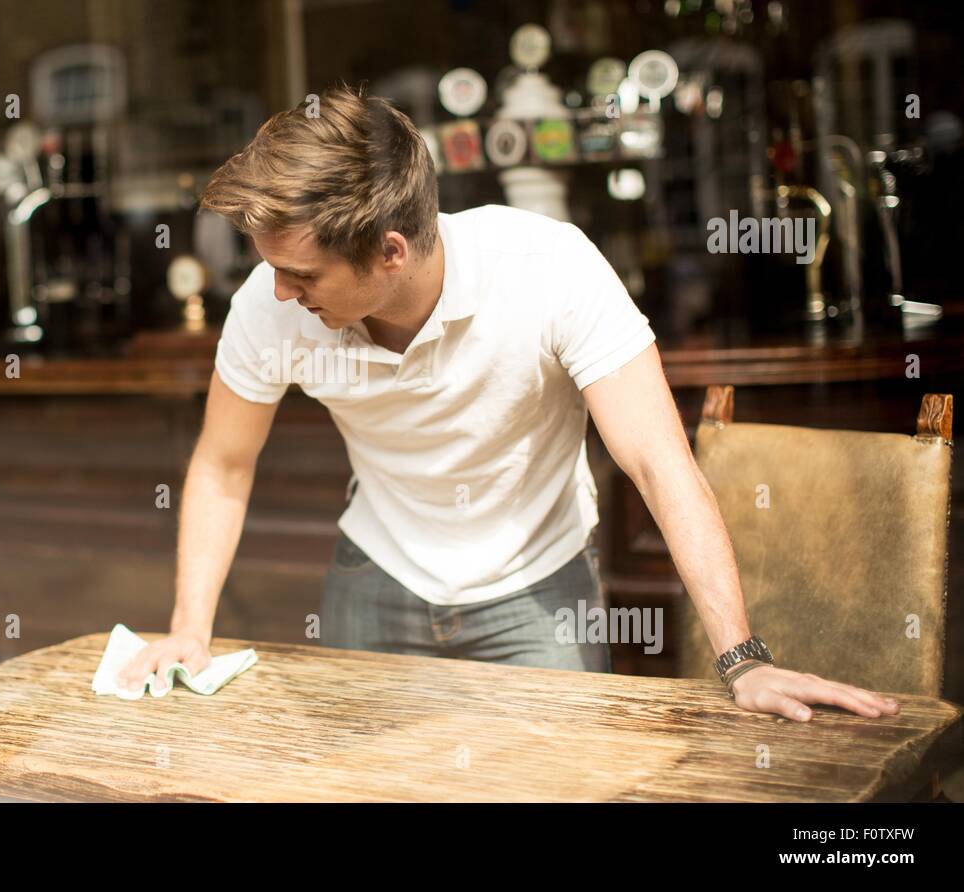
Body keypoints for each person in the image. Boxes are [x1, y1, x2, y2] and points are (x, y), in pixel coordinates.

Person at [118, 81, 899, 723]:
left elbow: (660, 463)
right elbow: (223, 464)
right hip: (374, 580)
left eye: (306, 276)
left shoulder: (546, 267)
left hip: (540, 592)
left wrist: (741, 658)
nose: (280, 292)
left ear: (391, 250)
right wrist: (190, 629)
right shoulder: (271, 300)